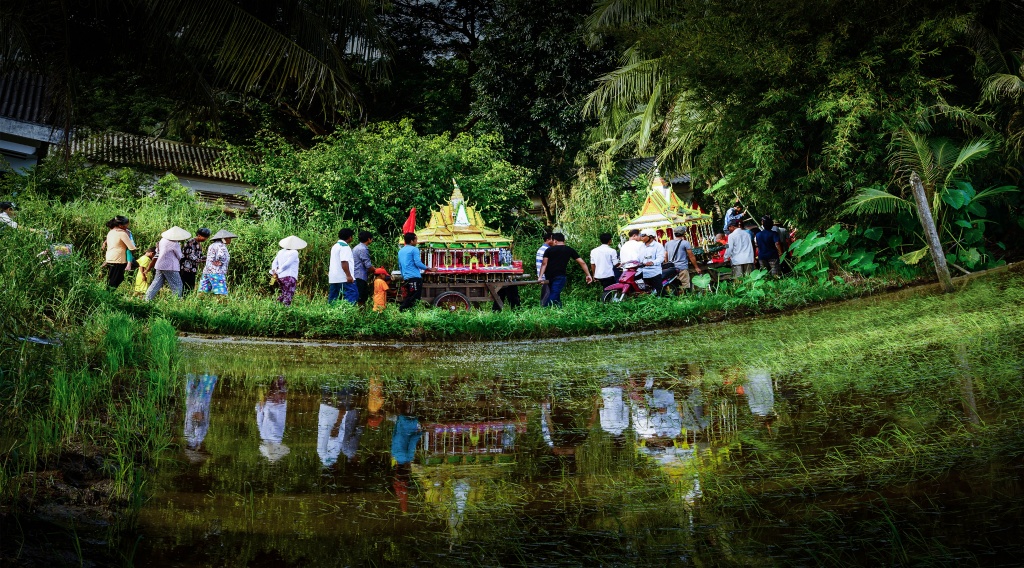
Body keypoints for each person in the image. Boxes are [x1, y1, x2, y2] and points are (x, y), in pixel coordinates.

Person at [538, 233, 593, 308]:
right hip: (560, 276)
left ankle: (548, 309)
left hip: (549, 276)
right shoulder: (569, 250)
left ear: (555, 240)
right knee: (555, 293)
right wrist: (588, 274)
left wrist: (540, 277)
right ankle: (548, 309)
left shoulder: (549, 250)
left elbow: (544, 264)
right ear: (564, 240)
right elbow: (582, 262)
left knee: (554, 293)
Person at [145, 226, 190, 300]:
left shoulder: (162, 240)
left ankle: (147, 299)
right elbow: (179, 256)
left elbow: (157, 251)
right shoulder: (175, 244)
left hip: (160, 265)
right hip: (170, 266)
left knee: (156, 283)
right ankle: (176, 301)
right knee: (177, 284)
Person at [256, 377, 290, 462]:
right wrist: (265, 412)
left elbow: (259, 422)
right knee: (279, 388)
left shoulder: (264, 437)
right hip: (277, 407)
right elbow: (274, 424)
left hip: (270, 406)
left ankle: (277, 376)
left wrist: (260, 409)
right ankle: (281, 376)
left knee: (273, 388)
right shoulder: (276, 439)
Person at [398, 232, 431, 311]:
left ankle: (408, 312)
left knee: (410, 295)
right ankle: (402, 309)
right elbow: (418, 263)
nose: (417, 241)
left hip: (406, 277)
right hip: (414, 277)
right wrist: (428, 268)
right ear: (412, 241)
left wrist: (403, 276)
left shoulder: (401, 251)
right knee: (414, 296)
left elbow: (400, 266)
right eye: (416, 239)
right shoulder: (414, 249)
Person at [664, 226, 702, 293]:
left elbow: (665, 256)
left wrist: (668, 265)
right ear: (684, 233)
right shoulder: (685, 243)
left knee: (674, 286)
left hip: (671, 269)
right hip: (682, 268)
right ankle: (686, 299)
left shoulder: (668, 243)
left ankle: (677, 299)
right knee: (685, 285)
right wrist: (696, 267)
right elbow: (691, 256)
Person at [103, 216, 136, 290]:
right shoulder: (122, 233)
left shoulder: (110, 232)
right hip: (118, 259)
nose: (127, 227)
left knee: (111, 279)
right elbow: (131, 247)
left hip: (110, 258)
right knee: (115, 281)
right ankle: (108, 297)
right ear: (120, 225)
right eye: (126, 225)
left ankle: (107, 296)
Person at [199, 230, 236, 296]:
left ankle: (198, 303)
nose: (230, 240)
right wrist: (220, 262)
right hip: (217, 271)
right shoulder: (221, 246)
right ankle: (221, 304)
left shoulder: (212, 245)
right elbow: (221, 256)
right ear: (223, 239)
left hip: (207, 270)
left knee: (204, 290)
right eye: (229, 238)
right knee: (220, 291)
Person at [272, 235, 306, 306]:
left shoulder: (281, 252)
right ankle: (285, 311)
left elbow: (274, 262)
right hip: (289, 277)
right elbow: (287, 264)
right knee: (288, 295)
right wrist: (278, 271)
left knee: (285, 294)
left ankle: (275, 306)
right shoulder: (294, 252)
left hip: (280, 277)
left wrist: (274, 271)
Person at [328, 228, 356, 304]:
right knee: (352, 296)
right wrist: (349, 276)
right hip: (344, 278)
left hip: (334, 278)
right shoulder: (345, 247)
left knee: (333, 299)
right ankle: (348, 313)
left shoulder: (335, 246)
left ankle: (331, 313)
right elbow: (344, 262)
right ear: (350, 237)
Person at [179, 228, 210, 295]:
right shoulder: (190, 242)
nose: (205, 239)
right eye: (204, 237)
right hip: (186, 268)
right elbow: (189, 255)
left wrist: (208, 258)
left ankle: (187, 300)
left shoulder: (199, 244)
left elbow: (199, 255)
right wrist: (201, 260)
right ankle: (181, 299)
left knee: (191, 286)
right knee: (185, 285)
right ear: (199, 235)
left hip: (193, 269)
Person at [637, 229, 667, 296]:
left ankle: (667, 301)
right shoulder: (641, 246)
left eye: (643, 236)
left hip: (654, 272)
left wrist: (652, 262)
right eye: (641, 235)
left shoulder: (658, 246)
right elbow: (638, 257)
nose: (641, 237)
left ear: (650, 237)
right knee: (646, 291)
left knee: (660, 291)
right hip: (644, 271)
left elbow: (661, 258)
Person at [352, 231, 374, 306]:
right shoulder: (363, 249)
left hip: (356, 274)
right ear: (369, 239)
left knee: (360, 296)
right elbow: (368, 265)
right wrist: (375, 270)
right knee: (361, 297)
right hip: (360, 276)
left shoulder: (356, 247)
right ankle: (360, 314)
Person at [535, 231, 553, 306]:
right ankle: (544, 309)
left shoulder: (542, 249)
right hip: (545, 276)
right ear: (548, 240)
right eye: (553, 239)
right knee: (547, 294)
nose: (554, 241)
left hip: (542, 275)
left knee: (546, 293)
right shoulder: (547, 250)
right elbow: (544, 264)